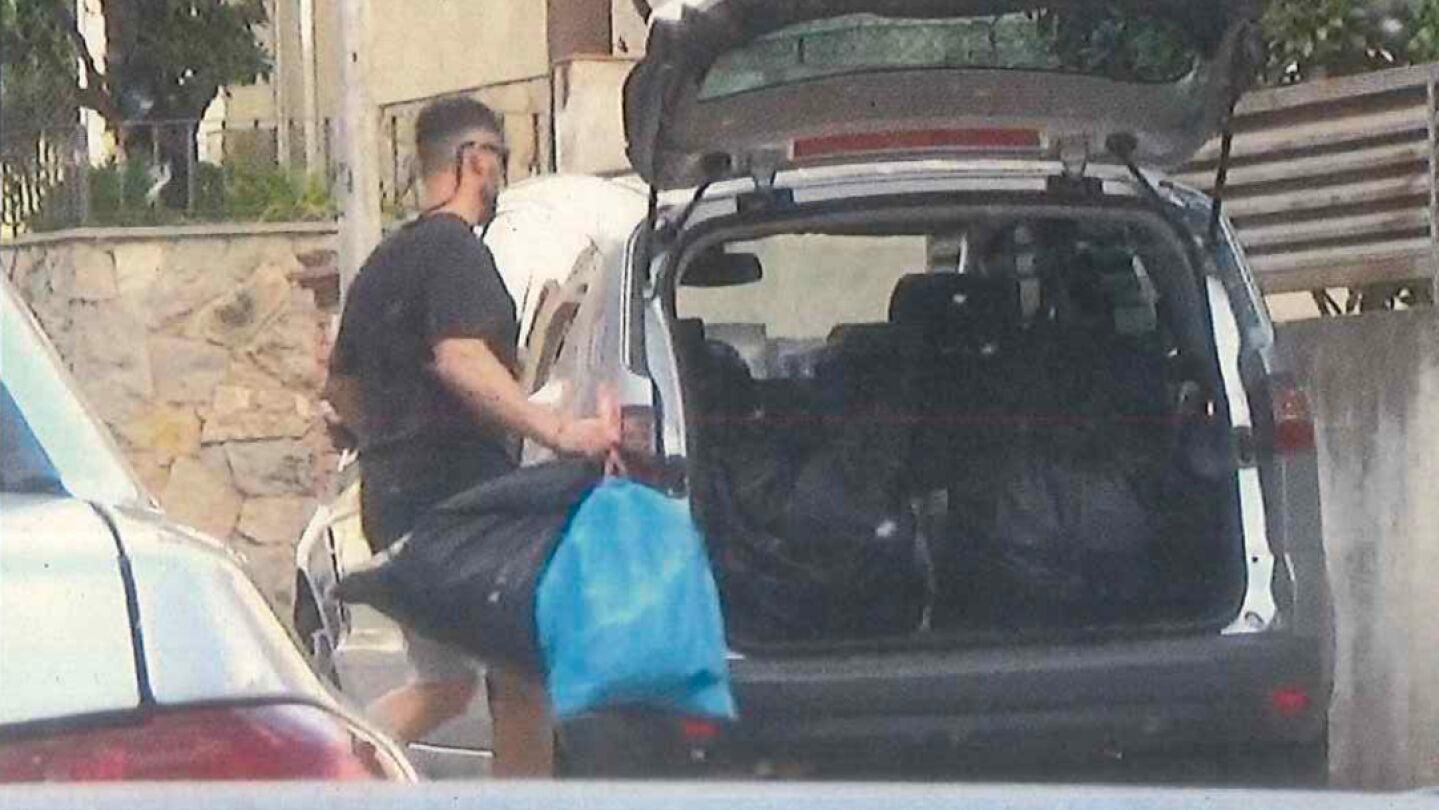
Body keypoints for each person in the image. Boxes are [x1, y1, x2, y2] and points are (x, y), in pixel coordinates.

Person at [322, 96, 617, 778]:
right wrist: (557, 429)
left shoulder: (384, 261)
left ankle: (325, 772)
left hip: (391, 500)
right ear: (473, 160)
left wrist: (392, 436)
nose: (500, 177)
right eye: (499, 161)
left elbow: (340, 387)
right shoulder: (455, 250)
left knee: (447, 685)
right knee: (523, 673)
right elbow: (460, 357)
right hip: (458, 504)